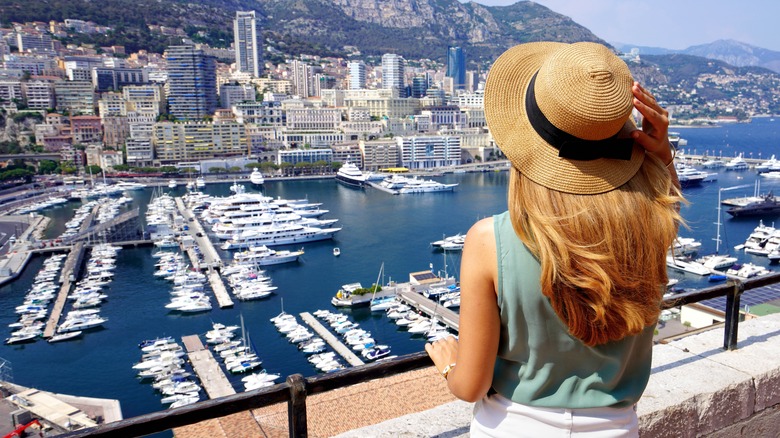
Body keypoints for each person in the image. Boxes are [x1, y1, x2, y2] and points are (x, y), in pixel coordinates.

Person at [425, 41, 684, 437]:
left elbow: (471, 386)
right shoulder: (651, 229)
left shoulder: (489, 241)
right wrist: (662, 154)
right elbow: (665, 202)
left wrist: (449, 364)